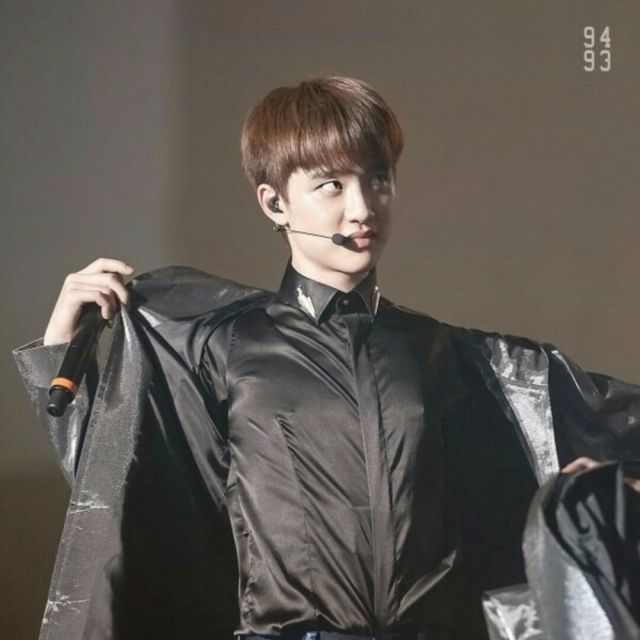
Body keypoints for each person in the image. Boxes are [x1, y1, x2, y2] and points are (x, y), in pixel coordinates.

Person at [13, 75, 640, 640]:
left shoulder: (448, 355)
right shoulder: (222, 349)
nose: (362, 208)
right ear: (274, 203)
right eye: (331, 185)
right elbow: (120, 476)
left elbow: (612, 423)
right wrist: (60, 346)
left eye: (378, 178)